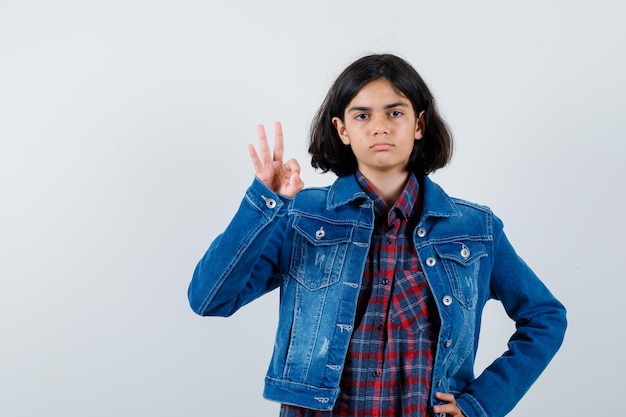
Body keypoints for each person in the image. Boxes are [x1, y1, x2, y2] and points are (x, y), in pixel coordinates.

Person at [188, 54, 567, 417]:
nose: (380, 126)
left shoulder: (475, 229)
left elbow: (545, 316)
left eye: (395, 112)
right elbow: (209, 299)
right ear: (342, 129)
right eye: (362, 114)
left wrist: (482, 404)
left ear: (419, 125)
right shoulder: (301, 217)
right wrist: (266, 202)